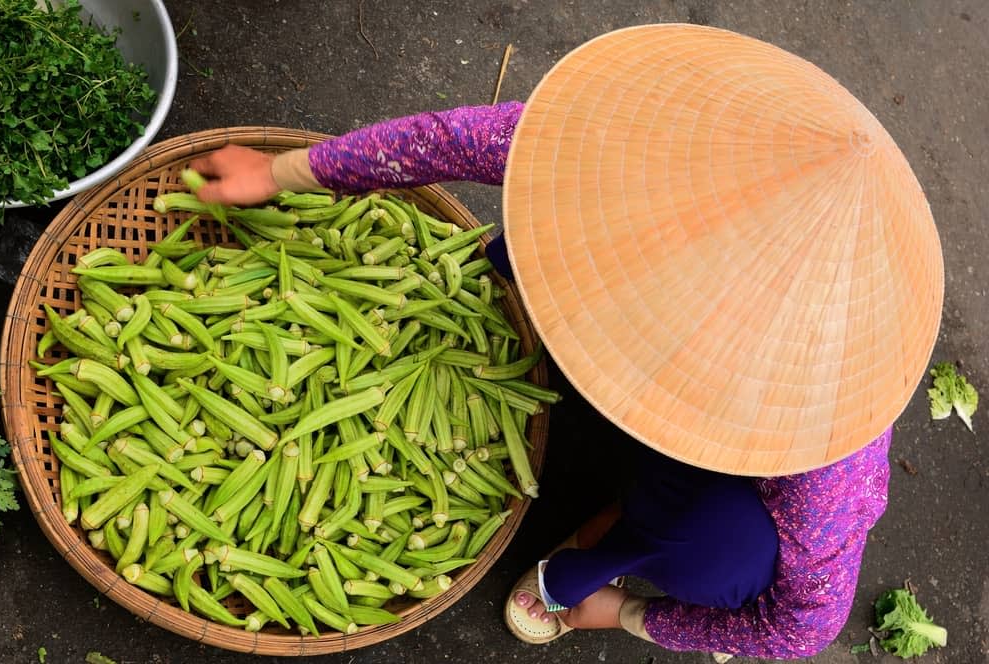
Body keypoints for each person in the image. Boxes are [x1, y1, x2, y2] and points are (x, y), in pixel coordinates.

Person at [190, 25, 942, 660]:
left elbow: (801, 630)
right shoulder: (644, 158)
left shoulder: (822, 476)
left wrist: (629, 615)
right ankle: (601, 411)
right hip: (652, 313)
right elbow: (464, 142)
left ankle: (598, 546)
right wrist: (289, 171)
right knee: (545, 233)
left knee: (718, 550)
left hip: (730, 495)